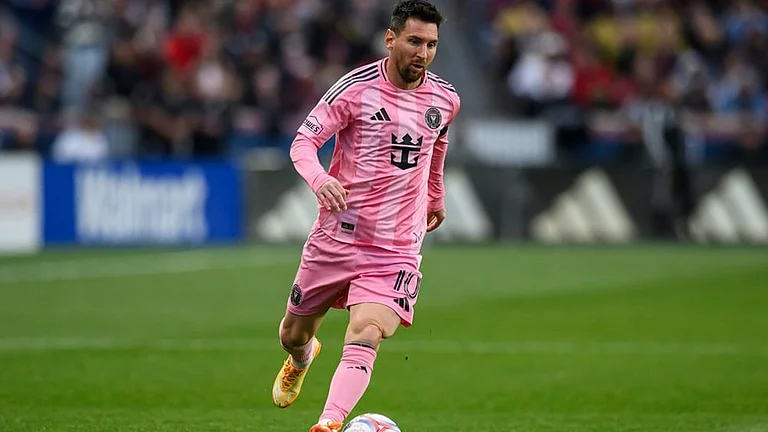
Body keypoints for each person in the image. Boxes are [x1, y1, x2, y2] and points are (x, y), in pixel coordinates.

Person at [270, 1, 460, 431]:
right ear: (390, 39)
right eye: (414, 41)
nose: (423, 53)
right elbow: (303, 143)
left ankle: (330, 422)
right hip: (337, 236)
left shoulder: (446, 99)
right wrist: (320, 179)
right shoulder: (355, 89)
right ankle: (302, 357)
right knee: (292, 334)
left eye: (431, 44)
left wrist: (435, 195)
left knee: (367, 330)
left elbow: (438, 145)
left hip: (396, 245)